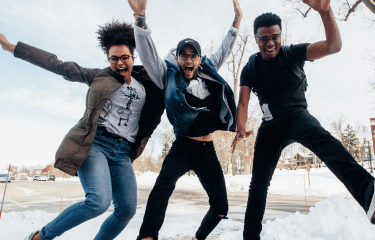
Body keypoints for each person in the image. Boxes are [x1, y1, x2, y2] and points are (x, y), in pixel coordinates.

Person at [0, 20, 164, 240]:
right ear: (109, 60)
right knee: (98, 202)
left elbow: (169, 72)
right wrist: (12, 48)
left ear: (133, 58)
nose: (120, 62)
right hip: (94, 144)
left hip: (122, 152)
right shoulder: (98, 76)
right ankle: (41, 236)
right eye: (113, 58)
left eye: (124, 57)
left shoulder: (147, 82)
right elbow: (56, 64)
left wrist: (141, 19)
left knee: (126, 210)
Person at [231, 0, 375, 239]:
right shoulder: (251, 67)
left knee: (328, 145)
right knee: (258, 186)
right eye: (263, 38)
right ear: (256, 39)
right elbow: (243, 102)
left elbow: (333, 46)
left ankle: (369, 192)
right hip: (270, 126)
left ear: (280, 34)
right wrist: (241, 127)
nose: (270, 43)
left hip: (297, 116)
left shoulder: (293, 53)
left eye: (274, 36)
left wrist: (325, 11)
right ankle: (250, 236)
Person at [126, 0, 242, 239]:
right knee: (161, 189)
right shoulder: (166, 76)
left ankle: (198, 237)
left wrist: (236, 23)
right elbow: (149, 56)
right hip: (183, 147)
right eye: (184, 56)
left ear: (199, 59)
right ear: (177, 58)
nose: (189, 61)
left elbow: (224, 50)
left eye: (193, 56)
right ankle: (147, 236)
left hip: (207, 150)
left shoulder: (208, 70)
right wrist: (141, 20)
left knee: (221, 208)